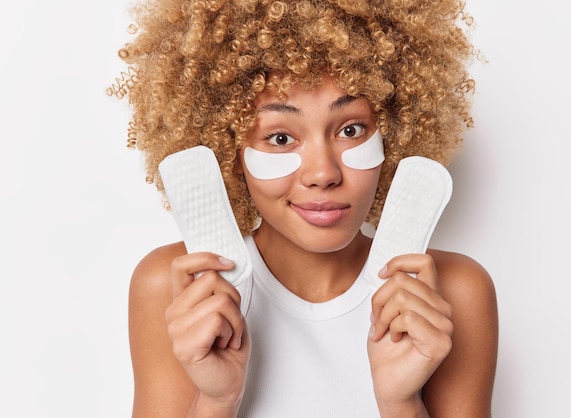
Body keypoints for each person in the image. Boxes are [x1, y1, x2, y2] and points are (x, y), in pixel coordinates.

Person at [111, 0, 498, 416]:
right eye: (280, 139)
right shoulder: (176, 289)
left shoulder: (453, 290)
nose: (323, 173)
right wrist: (217, 400)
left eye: (351, 130)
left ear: (393, 132)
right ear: (229, 149)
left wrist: (400, 403)